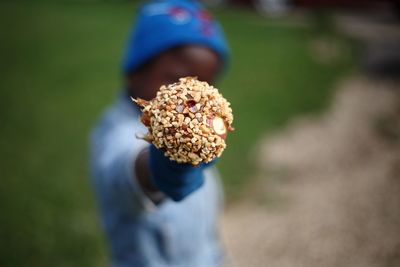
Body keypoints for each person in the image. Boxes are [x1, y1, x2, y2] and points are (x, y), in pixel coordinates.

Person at [89, 0, 230, 266]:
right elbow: (127, 172)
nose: (190, 98)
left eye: (206, 84)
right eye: (176, 80)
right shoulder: (115, 133)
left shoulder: (199, 135)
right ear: (135, 71)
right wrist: (168, 164)